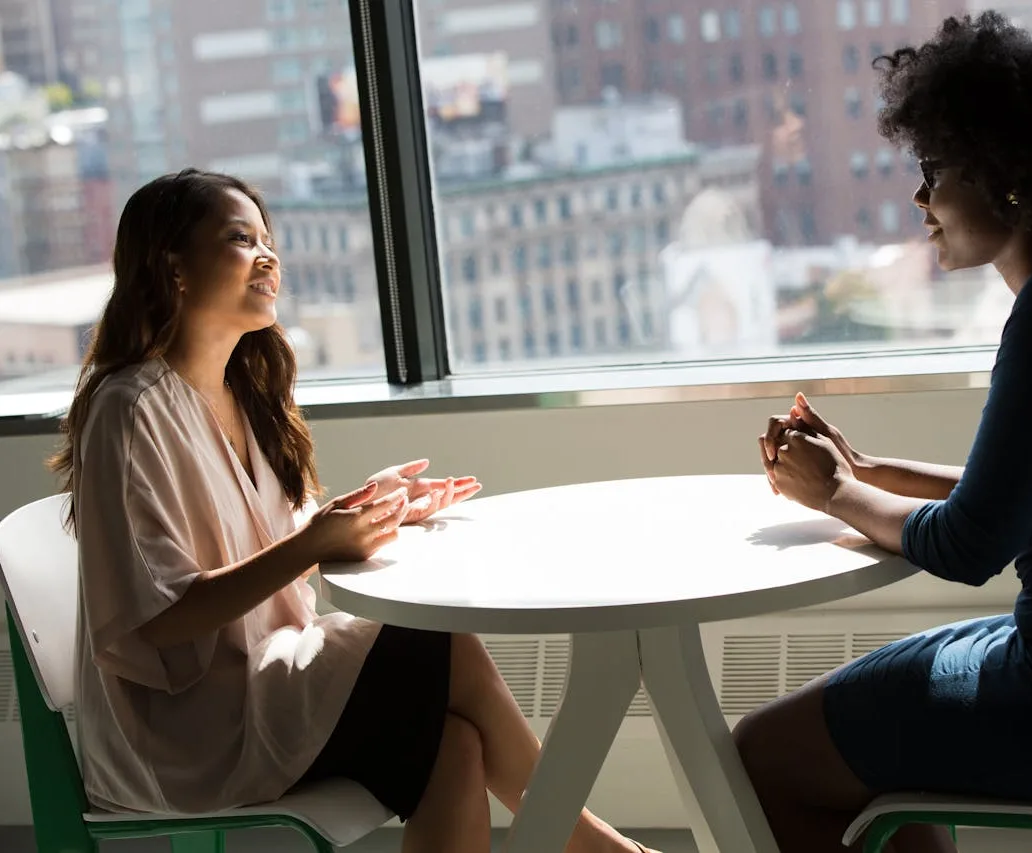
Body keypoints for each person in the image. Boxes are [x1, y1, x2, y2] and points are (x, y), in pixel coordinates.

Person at [51, 168, 657, 853]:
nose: (268, 255)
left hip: (262, 685)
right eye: (239, 238)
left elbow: (279, 550)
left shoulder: (243, 397)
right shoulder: (130, 409)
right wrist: (314, 541)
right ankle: (600, 846)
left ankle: (594, 844)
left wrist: (375, 511)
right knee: (440, 640)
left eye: (267, 238)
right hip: (186, 731)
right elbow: (158, 618)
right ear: (174, 267)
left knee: (452, 743)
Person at [730, 12, 1032, 853]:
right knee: (880, 707)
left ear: (1008, 178)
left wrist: (837, 492)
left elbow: (971, 547)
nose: (921, 198)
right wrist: (871, 469)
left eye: (936, 169)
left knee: (757, 754)